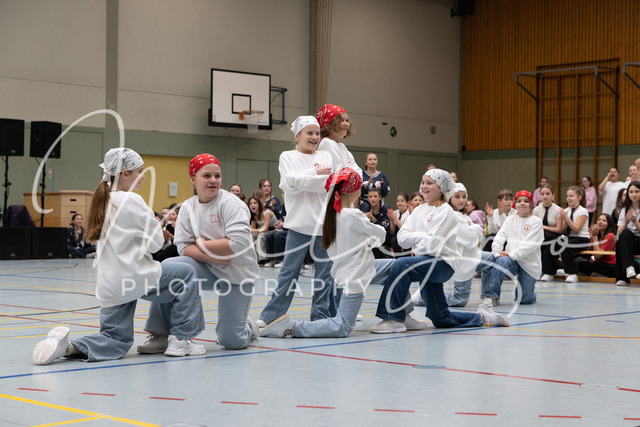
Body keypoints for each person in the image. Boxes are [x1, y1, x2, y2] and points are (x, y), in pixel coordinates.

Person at [32, 148, 205, 365]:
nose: (143, 176)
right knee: (186, 274)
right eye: (140, 171)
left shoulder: (102, 200)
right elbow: (155, 245)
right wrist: (157, 226)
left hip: (111, 283)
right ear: (125, 173)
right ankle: (180, 339)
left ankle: (68, 347)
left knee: (115, 340)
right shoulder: (132, 199)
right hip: (135, 276)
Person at [142, 153, 261, 353]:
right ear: (193, 179)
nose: (213, 180)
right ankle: (161, 333)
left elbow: (238, 243)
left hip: (237, 273)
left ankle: (248, 325)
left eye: (217, 176)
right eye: (206, 176)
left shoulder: (231, 203)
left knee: (232, 341)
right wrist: (211, 256)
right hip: (208, 267)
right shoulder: (187, 207)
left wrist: (202, 243)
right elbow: (183, 247)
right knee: (170, 268)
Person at [259, 168, 394, 338]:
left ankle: (399, 316)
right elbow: (381, 235)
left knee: (396, 267)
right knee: (342, 326)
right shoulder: (354, 216)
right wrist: (368, 235)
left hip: (352, 270)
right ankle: (292, 327)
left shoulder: (331, 216)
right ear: (353, 191)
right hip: (356, 275)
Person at [370, 169, 508, 334]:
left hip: (443, 263)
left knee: (401, 265)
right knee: (440, 318)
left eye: (430, 183)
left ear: (441, 188)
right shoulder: (419, 210)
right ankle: (484, 318)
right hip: (425, 261)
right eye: (423, 182)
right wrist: (424, 236)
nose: (424, 186)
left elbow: (432, 246)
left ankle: (394, 319)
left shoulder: (446, 211)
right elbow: (402, 239)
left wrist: (418, 239)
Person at [257, 116, 336, 328]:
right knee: (288, 272)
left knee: (325, 274)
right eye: (309, 133)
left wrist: (302, 180)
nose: (314, 137)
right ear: (297, 136)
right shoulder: (287, 156)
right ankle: (271, 315)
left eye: (317, 133)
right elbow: (287, 183)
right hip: (298, 225)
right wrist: (314, 173)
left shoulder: (325, 156)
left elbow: (326, 184)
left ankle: (320, 316)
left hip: (323, 226)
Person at [481, 190, 543, 307]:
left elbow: (530, 245)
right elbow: (500, 236)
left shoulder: (536, 222)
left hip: (529, 264)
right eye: (519, 201)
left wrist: (512, 254)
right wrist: (497, 252)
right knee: (501, 261)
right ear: (515, 204)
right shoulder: (510, 219)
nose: (522, 203)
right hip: (511, 260)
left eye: (526, 201)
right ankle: (491, 296)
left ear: (531, 204)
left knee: (524, 299)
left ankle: (530, 294)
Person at [445, 183, 483, 307]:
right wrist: (475, 229)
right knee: (460, 300)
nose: (461, 200)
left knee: (493, 260)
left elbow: (478, 235)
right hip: (461, 259)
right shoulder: (451, 215)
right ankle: (425, 297)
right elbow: (471, 239)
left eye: (464, 196)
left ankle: (489, 295)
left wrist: (474, 230)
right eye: (457, 197)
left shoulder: (464, 215)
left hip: (472, 255)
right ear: (449, 198)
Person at [556, 186, 590, 283]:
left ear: (579, 197)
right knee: (553, 244)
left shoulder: (583, 211)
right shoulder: (567, 210)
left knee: (566, 246)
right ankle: (553, 270)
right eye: (567, 196)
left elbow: (576, 229)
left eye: (571, 196)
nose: (568, 198)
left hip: (582, 239)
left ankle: (572, 273)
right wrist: (563, 218)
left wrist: (566, 218)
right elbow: (564, 230)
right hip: (570, 238)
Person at [316, 104, 362, 175]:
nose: (346, 124)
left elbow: (357, 170)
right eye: (342, 120)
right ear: (330, 124)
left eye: (347, 120)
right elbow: (340, 172)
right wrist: (353, 175)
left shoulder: (341, 146)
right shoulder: (327, 143)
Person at [532, 183, 565, 282]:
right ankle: (540, 271)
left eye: (547, 194)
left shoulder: (558, 210)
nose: (545, 196)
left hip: (555, 238)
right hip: (541, 237)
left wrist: (544, 227)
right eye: (542, 194)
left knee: (548, 244)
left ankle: (548, 273)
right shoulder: (536, 210)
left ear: (553, 195)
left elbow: (559, 230)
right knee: (539, 244)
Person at [614, 180, 640, 286]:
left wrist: (635, 221)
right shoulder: (624, 210)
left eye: (637, 191)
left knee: (621, 244)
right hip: (629, 242)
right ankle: (629, 268)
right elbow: (619, 232)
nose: (634, 195)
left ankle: (625, 275)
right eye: (631, 192)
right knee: (623, 236)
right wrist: (626, 222)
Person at [577, 214, 617, 278]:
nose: (600, 222)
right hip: (599, 263)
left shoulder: (610, 236)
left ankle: (602, 275)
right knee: (581, 262)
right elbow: (587, 251)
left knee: (597, 264)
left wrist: (594, 237)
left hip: (610, 265)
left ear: (609, 224)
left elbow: (598, 255)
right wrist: (589, 237)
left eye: (604, 220)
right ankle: (598, 274)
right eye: (599, 220)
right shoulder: (597, 235)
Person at [363, 188, 393, 258]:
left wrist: (373, 219)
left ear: (379, 198)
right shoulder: (367, 208)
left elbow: (382, 229)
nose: (373, 199)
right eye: (370, 197)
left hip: (386, 236)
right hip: (372, 236)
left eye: (375, 196)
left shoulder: (385, 208)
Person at [248, 195, 276, 262]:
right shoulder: (254, 214)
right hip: (262, 229)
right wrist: (251, 230)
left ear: (259, 205)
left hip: (273, 229)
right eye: (250, 203)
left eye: (255, 203)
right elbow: (252, 228)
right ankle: (253, 258)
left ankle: (262, 259)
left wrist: (251, 230)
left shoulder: (267, 213)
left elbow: (265, 229)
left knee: (261, 236)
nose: (252, 205)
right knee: (251, 236)